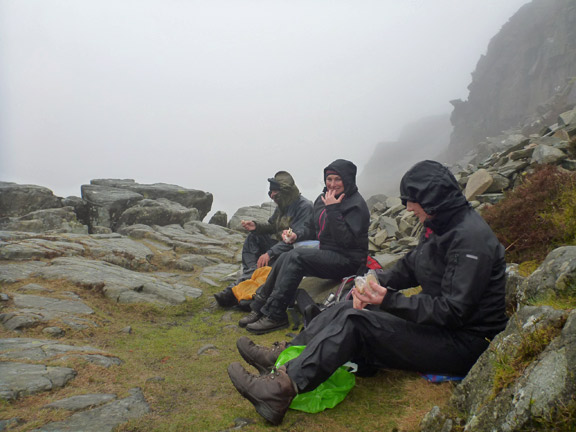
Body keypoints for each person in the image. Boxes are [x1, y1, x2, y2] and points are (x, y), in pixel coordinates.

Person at [227, 160, 509, 425]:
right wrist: (371, 282)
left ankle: (279, 391)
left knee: (356, 322)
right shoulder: (441, 226)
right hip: (442, 327)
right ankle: (283, 357)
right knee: (346, 304)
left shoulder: (470, 241)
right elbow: (411, 266)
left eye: (412, 200)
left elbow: (454, 311)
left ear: (433, 198)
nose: (409, 207)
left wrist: (387, 300)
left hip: (465, 343)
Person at [237, 158, 370, 334]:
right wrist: (295, 235)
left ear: (348, 179)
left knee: (296, 257)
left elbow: (347, 241)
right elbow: (313, 229)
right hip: (327, 253)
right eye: (329, 179)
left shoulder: (356, 204)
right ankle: (259, 306)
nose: (332, 184)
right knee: (286, 256)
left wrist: (333, 210)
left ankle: (275, 314)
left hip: (348, 260)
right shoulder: (322, 199)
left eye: (337, 179)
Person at [214, 171, 315, 308]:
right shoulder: (283, 205)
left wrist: (270, 253)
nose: (272, 196)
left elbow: (297, 239)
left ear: (285, 192)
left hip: (293, 250)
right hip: (280, 245)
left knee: (273, 261)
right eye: (270, 193)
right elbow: (273, 227)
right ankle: (253, 272)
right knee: (253, 237)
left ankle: (233, 291)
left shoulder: (304, 207)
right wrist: (256, 226)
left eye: (275, 192)